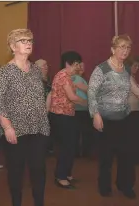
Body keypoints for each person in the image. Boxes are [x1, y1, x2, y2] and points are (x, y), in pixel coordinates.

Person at [0, 29, 50, 206]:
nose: (28, 43)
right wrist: (7, 127)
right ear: (12, 46)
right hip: (15, 130)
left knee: (39, 171)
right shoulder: (6, 71)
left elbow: (40, 96)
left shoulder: (35, 70)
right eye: (23, 40)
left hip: (38, 129)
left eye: (30, 40)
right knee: (16, 172)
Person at [88, 34, 137, 199]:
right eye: (121, 47)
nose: (125, 50)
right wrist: (95, 114)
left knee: (127, 155)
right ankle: (105, 187)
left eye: (128, 47)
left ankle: (125, 186)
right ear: (113, 49)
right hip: (105, 120)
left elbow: (128, 88)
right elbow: (91, 92)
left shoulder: (127, 69)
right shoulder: (102, 69)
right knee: (106, 158)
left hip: (124, 119)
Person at [50, 51, 87, 189]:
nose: (78, 67)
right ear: (68, 63)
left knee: (71, 146)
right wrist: (86, 102)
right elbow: (72, 97)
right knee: (66, 147)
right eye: (76, 64)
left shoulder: (69, 77)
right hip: (61, 117)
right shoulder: (63, 76)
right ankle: (61, 176)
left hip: (67, 116)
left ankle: (66, 174)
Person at [72, 62, 94, 158]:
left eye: (82, 66)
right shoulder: (75, 78)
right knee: (79, 132)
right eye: (79, 66)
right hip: (78, 109)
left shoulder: (81, 79)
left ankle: (82, 152)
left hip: (83, 109)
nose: (81, 68)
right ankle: (82, 152)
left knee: (82, 132)